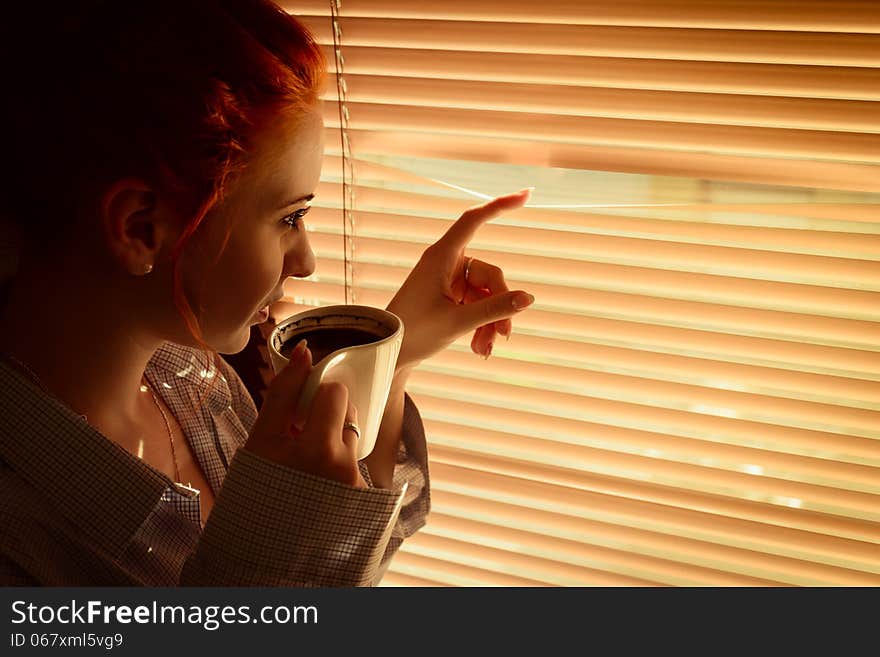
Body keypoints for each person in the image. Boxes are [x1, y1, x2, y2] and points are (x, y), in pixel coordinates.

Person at [0, 0, 535, 586]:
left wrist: (390, 361)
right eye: (289, 218)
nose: (306, 261)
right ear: (140, 228)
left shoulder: (194, 382)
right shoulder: (22, 547)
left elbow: (338, 570)